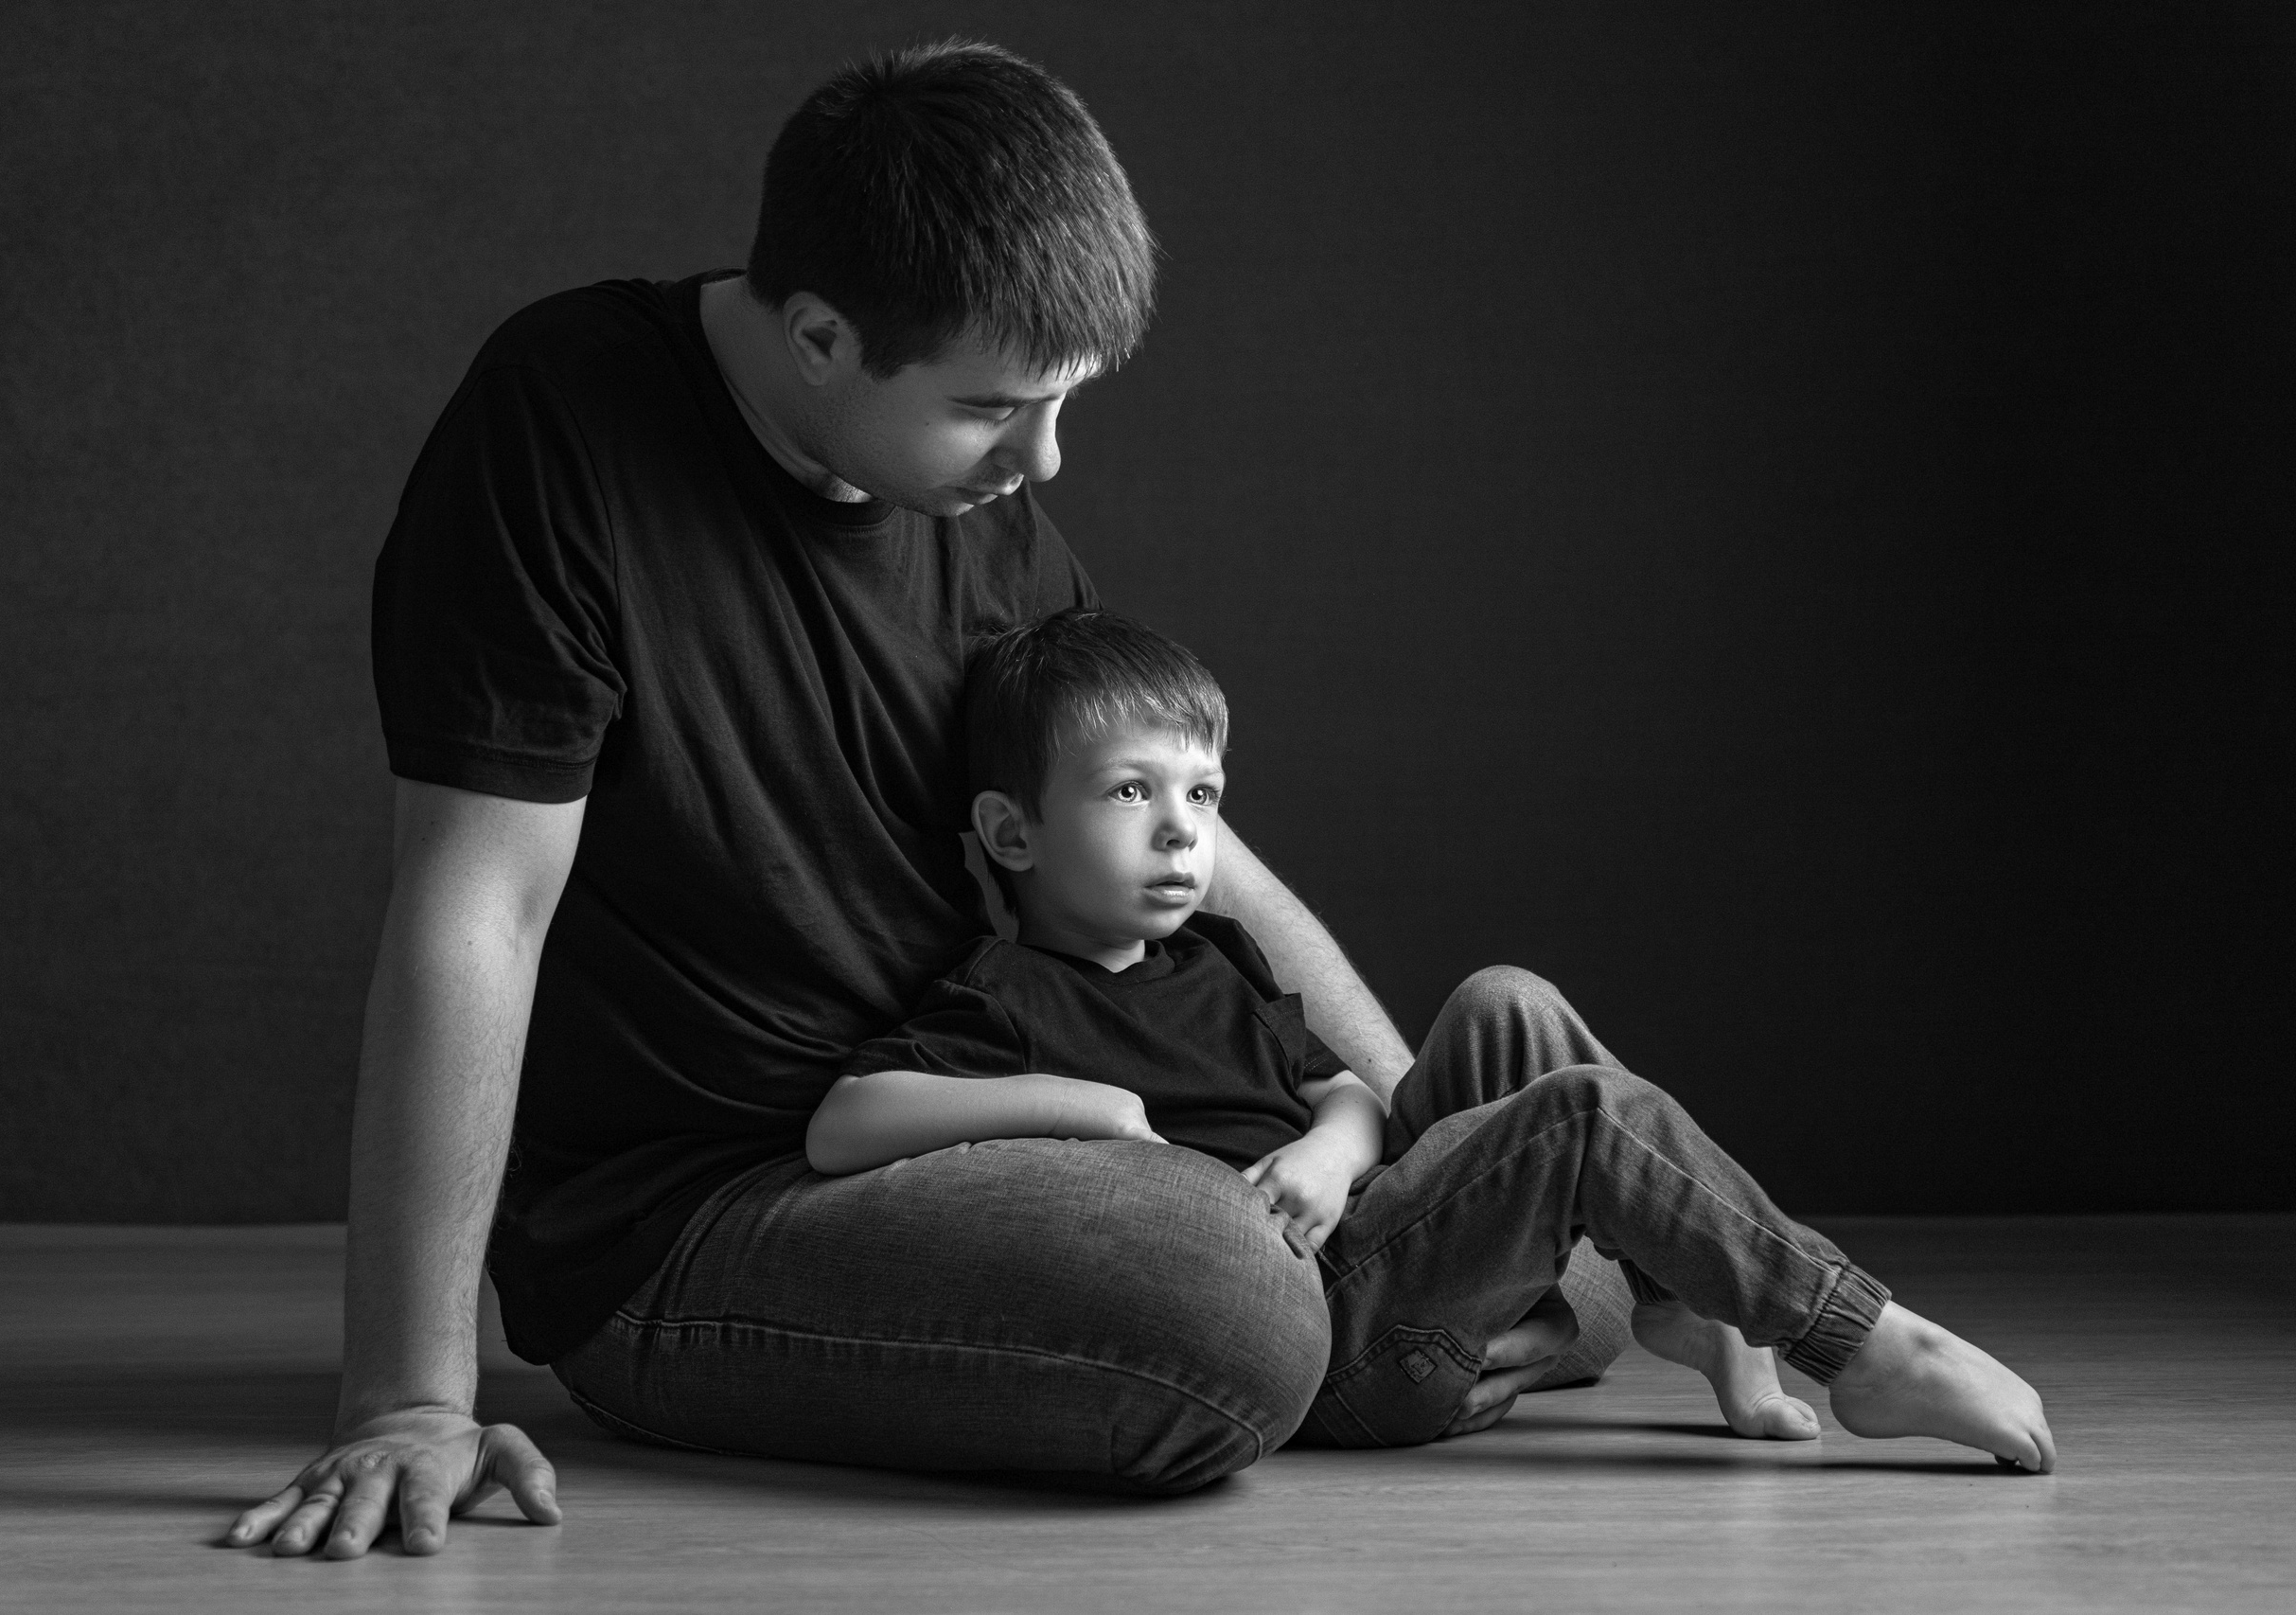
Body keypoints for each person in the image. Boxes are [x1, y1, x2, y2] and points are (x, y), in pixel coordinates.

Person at [229, 39, 1616, 1561]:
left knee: (1543, 1196)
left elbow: (1192, 852)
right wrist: (409, 1399)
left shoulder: (991, 523)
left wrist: (1423, 1156)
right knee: (1228, 1300)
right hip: (712, 1211)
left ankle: (1407, 1315)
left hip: (1005, 1137)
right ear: (821, 334)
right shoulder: (563, 428)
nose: (1042, 458)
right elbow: (476, 903)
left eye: (1064, 405)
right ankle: (1387, 1340)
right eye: (993, 409)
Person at [804, 608, 2058, 1467]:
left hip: (1372, 1224)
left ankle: (1704, 1315)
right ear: (1013, 834)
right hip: (1338, 1334)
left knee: (1506, 1000)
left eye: (1202, 795)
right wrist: (1083, 1109)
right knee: (1578, 1113)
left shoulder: (1215, 959)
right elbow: (843, 1120)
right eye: (1131, 792)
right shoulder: (1008, 992)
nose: (1184, 833)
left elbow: (1343, 1086)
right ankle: (1864, 1342)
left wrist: (1334, 1148)